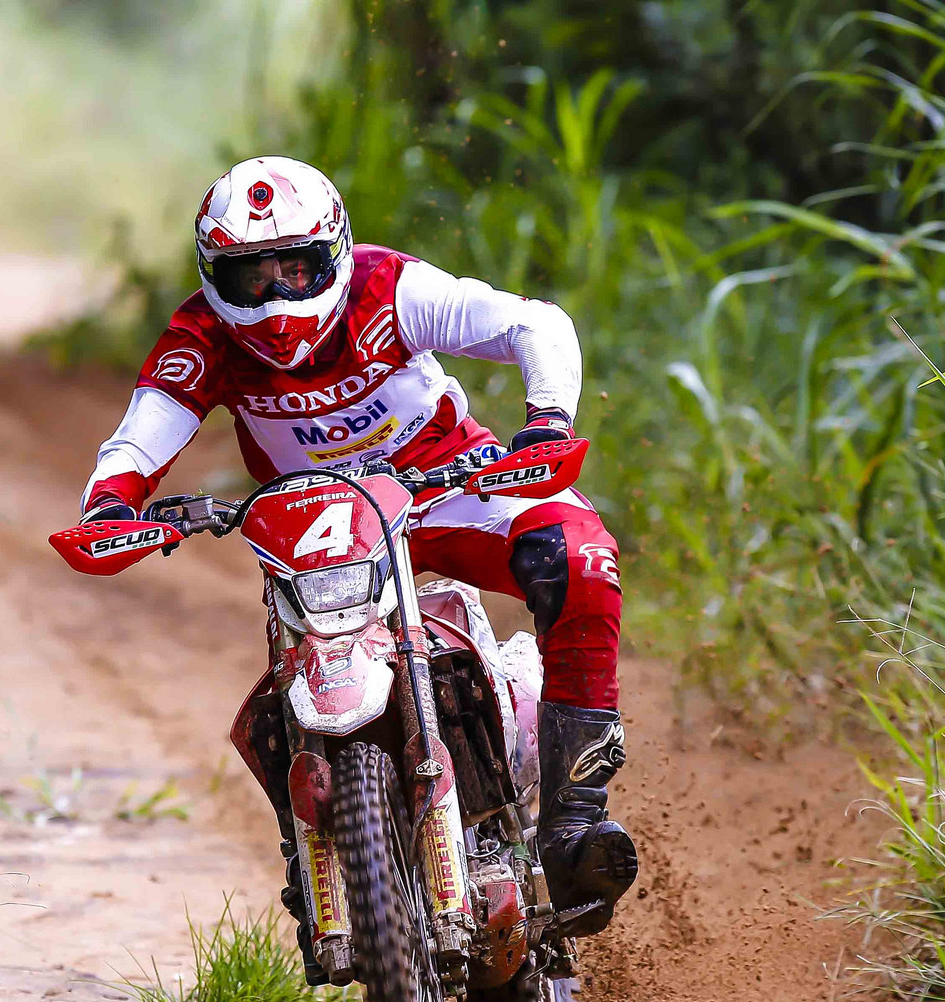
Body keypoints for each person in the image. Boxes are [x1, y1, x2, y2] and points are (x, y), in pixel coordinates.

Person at [79, 155, 636, 945]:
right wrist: (110, 503)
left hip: (447, 481)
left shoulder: (389, 288)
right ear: (213, 278)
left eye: (296, 268)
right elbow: (142, 432)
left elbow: (533, 323)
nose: (275, 297)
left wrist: (547, 419)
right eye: (251, 276)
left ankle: (575, 823)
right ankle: (307, 851)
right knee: (279, 693)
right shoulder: (202, 337)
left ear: (334, 253)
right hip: (319, 527)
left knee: (581, 560)